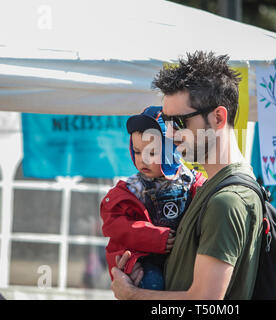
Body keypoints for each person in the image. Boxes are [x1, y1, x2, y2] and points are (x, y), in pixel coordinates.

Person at [110, 51, 263, 300]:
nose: (170, 134)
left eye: (179, 122)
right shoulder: (209, 188)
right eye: (166, 123)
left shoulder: (227, 200)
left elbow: (203, 301)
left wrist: (132, 294)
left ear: (218, 117)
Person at [100, 106, 206, 290]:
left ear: (172, 150)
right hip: (145, 261)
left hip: (185, 260)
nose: (143, 160)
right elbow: (114, 225)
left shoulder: (193, 183)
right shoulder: (131, 190)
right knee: (152, 284)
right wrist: (153, 237)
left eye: (152, 152)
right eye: (138, 151)